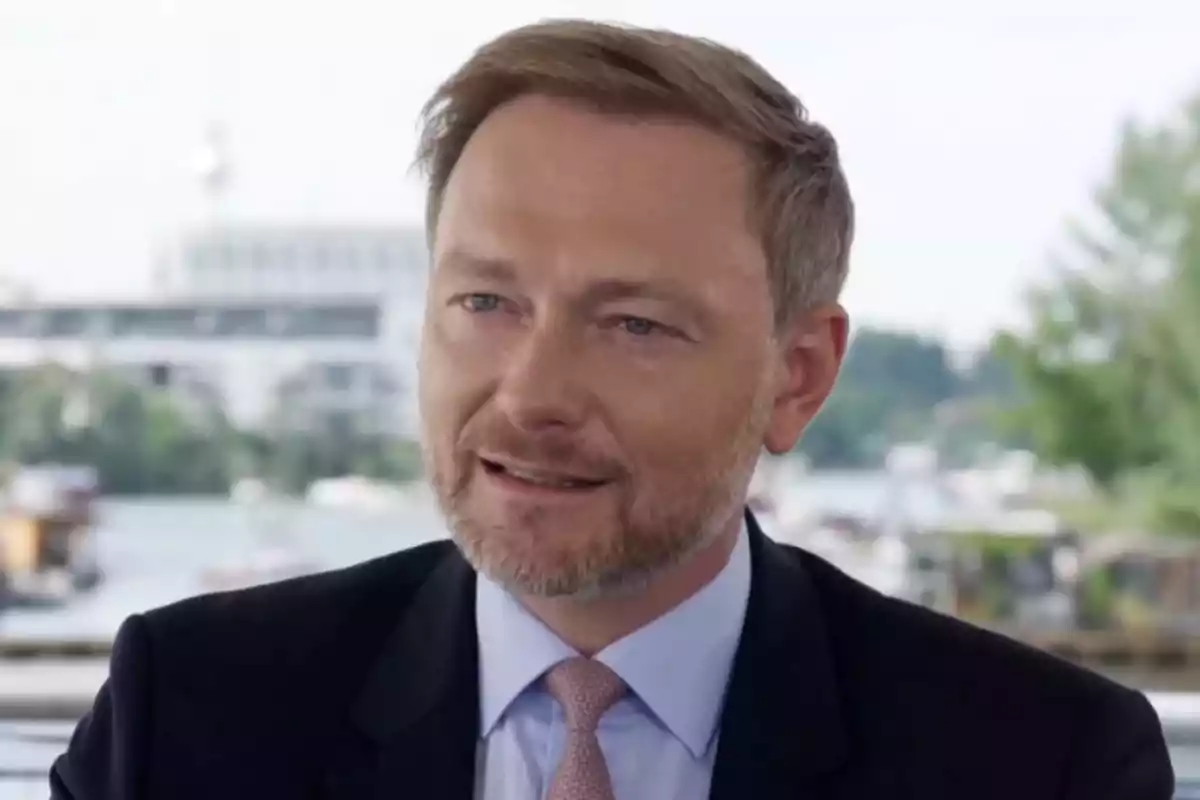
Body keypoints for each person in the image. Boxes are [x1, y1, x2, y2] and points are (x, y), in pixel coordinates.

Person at [51, 19, 1172, 800]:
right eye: (486, 300)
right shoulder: (192, 711)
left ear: (798, 374)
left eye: (633, 323)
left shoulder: (1037, 759)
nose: (532, 393)